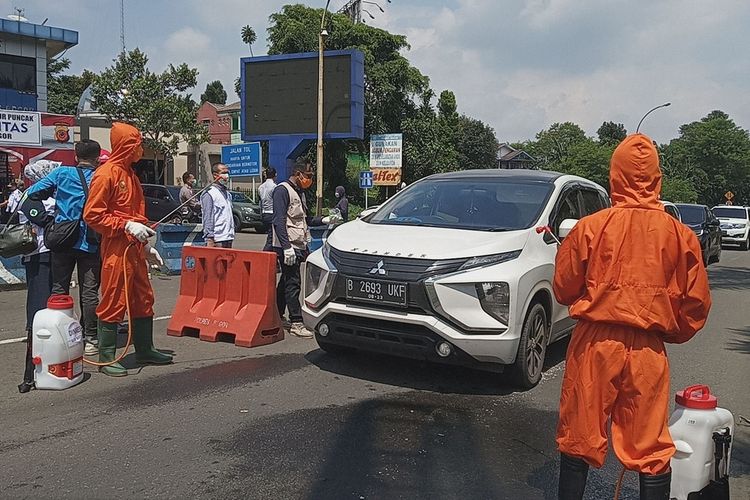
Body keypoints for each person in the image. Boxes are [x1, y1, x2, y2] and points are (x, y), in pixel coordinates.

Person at [553, 133, 712, 500]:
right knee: (651, 447)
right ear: (657, 180)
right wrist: (664, 333)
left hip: (595, 343)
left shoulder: (591, 227)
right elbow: (697, 304)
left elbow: (563, 288)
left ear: (615, 177)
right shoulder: (680, 235)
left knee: (578, 435)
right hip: (647, 352)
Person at [83, 122, 172, 377]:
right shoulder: (106, 174)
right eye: (137, 144)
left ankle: (144, 348)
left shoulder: (131, 176)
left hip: (134, 248)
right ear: (126, 146)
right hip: (115, 247)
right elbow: (93, 215)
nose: (141, 149)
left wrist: (145, 247)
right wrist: (125, 225)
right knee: (114, 298)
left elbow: (138, 218)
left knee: (143, 298)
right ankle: (107, 355)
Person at [25, 141, 103, 357]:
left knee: (59, 288)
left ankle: (62, 335)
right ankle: (91, 339)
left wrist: (52, 215)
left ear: (76, 157)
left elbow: (33, 192)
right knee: (89, 292)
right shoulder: (102, 177)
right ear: (97, 157)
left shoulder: (62, 173)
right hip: (91, 241)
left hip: (62, 240)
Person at [272, 160, 335, 338]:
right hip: (287, 245)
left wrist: (323, 220)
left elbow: (303, 220)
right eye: (308, 176)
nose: (309, 180)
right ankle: (296, 322)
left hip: (298, 244)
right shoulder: (282, 190)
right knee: (293, 282)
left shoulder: (300, 193)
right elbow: (278, 221)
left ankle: (277, 314)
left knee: (285, 281)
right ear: (298, 174)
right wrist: (286, 247)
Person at [17, 162, 57, 393]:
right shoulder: (30, 197)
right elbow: (44, 220)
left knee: (53, 310)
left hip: (51, 256)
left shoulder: (48, 196)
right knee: (38, 311)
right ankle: (30, 373)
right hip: (38, 257)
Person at [201, 163, 235, 248]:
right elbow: (208, 217)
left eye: (227, 173)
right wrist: (210, 238)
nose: (226, 176)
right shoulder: (209, 193)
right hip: (217, 239)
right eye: (223, 173)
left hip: (228, 237)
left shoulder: (227, 194)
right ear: (215, 175)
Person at [258, 167, 277, 251]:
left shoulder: (260, 187)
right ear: (275, 175)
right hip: (272, 213)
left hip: (264, 212)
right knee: (272, 237)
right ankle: (266, 253)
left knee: (271, 235)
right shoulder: (274, 187)